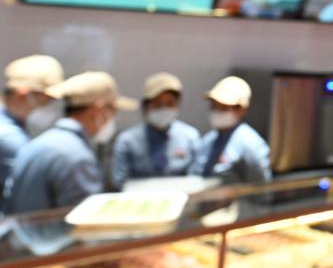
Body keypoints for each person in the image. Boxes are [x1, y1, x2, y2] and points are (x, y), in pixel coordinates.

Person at [4, 71, 137, 214]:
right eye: (113, 112)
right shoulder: (76, 156)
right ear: (98, 110)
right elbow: (86, 219)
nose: (113, 120)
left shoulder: (37, 144)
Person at [111, 72, 201, 189]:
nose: (164, 109)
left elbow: (196, 177)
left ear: (177, 105)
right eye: (157, 103)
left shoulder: (190, 137)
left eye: (170, 103)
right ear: (146, 105)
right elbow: (119, 182)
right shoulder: (127, 141)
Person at [0, 55, 65, 196]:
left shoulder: (13, 125)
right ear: (21, 95)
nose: (50, 108)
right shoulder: (9, 138)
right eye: (46, 102)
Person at [190, 76, 271, 185]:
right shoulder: (208, 140)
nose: (217, 111)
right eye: (214, 106)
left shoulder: (250, 143)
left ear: (241, 110)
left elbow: (261, 187)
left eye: (223, 107)